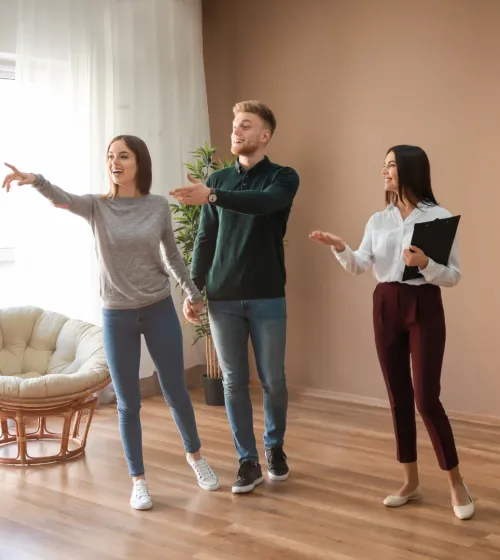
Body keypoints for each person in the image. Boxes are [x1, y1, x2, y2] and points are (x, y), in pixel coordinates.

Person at [2, 135, 219, 510]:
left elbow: (172, 257)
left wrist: (192, 293)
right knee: (127, 402)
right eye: (110, 156)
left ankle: (196, 458)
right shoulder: (97, 207)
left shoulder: (156, 207)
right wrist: (34, 179)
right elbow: (62, 196)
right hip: (116, 314)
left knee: (175, 393)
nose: (114, 162)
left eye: (123, 156)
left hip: (158, 307)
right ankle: (138, 480)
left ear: (139, 163)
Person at [309, 145, 474, 520]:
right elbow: (360, 265)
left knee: (426, 398)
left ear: (412, 171)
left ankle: (455, 482)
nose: (384, 172)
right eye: (383, 165)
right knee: (398, 396)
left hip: (424, 304)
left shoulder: (439, 218)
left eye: (392, 166)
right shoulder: (377, 220)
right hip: (385, 303)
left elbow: (453, 276)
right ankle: (410, 481)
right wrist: (340, 248)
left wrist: (426, 263)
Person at [170, 101, 299, 494]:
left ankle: (274, 448)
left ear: (265, 135)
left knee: (273, 380)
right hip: (223, 299)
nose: (236, 131)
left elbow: (263, 204)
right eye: (234, 125)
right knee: (232, 382)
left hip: (266, 295)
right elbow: (206, 240)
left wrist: (212, 195)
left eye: (246, 125)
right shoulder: (219, 180)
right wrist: (194, 290)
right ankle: (248, 460)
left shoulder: (283, 177)